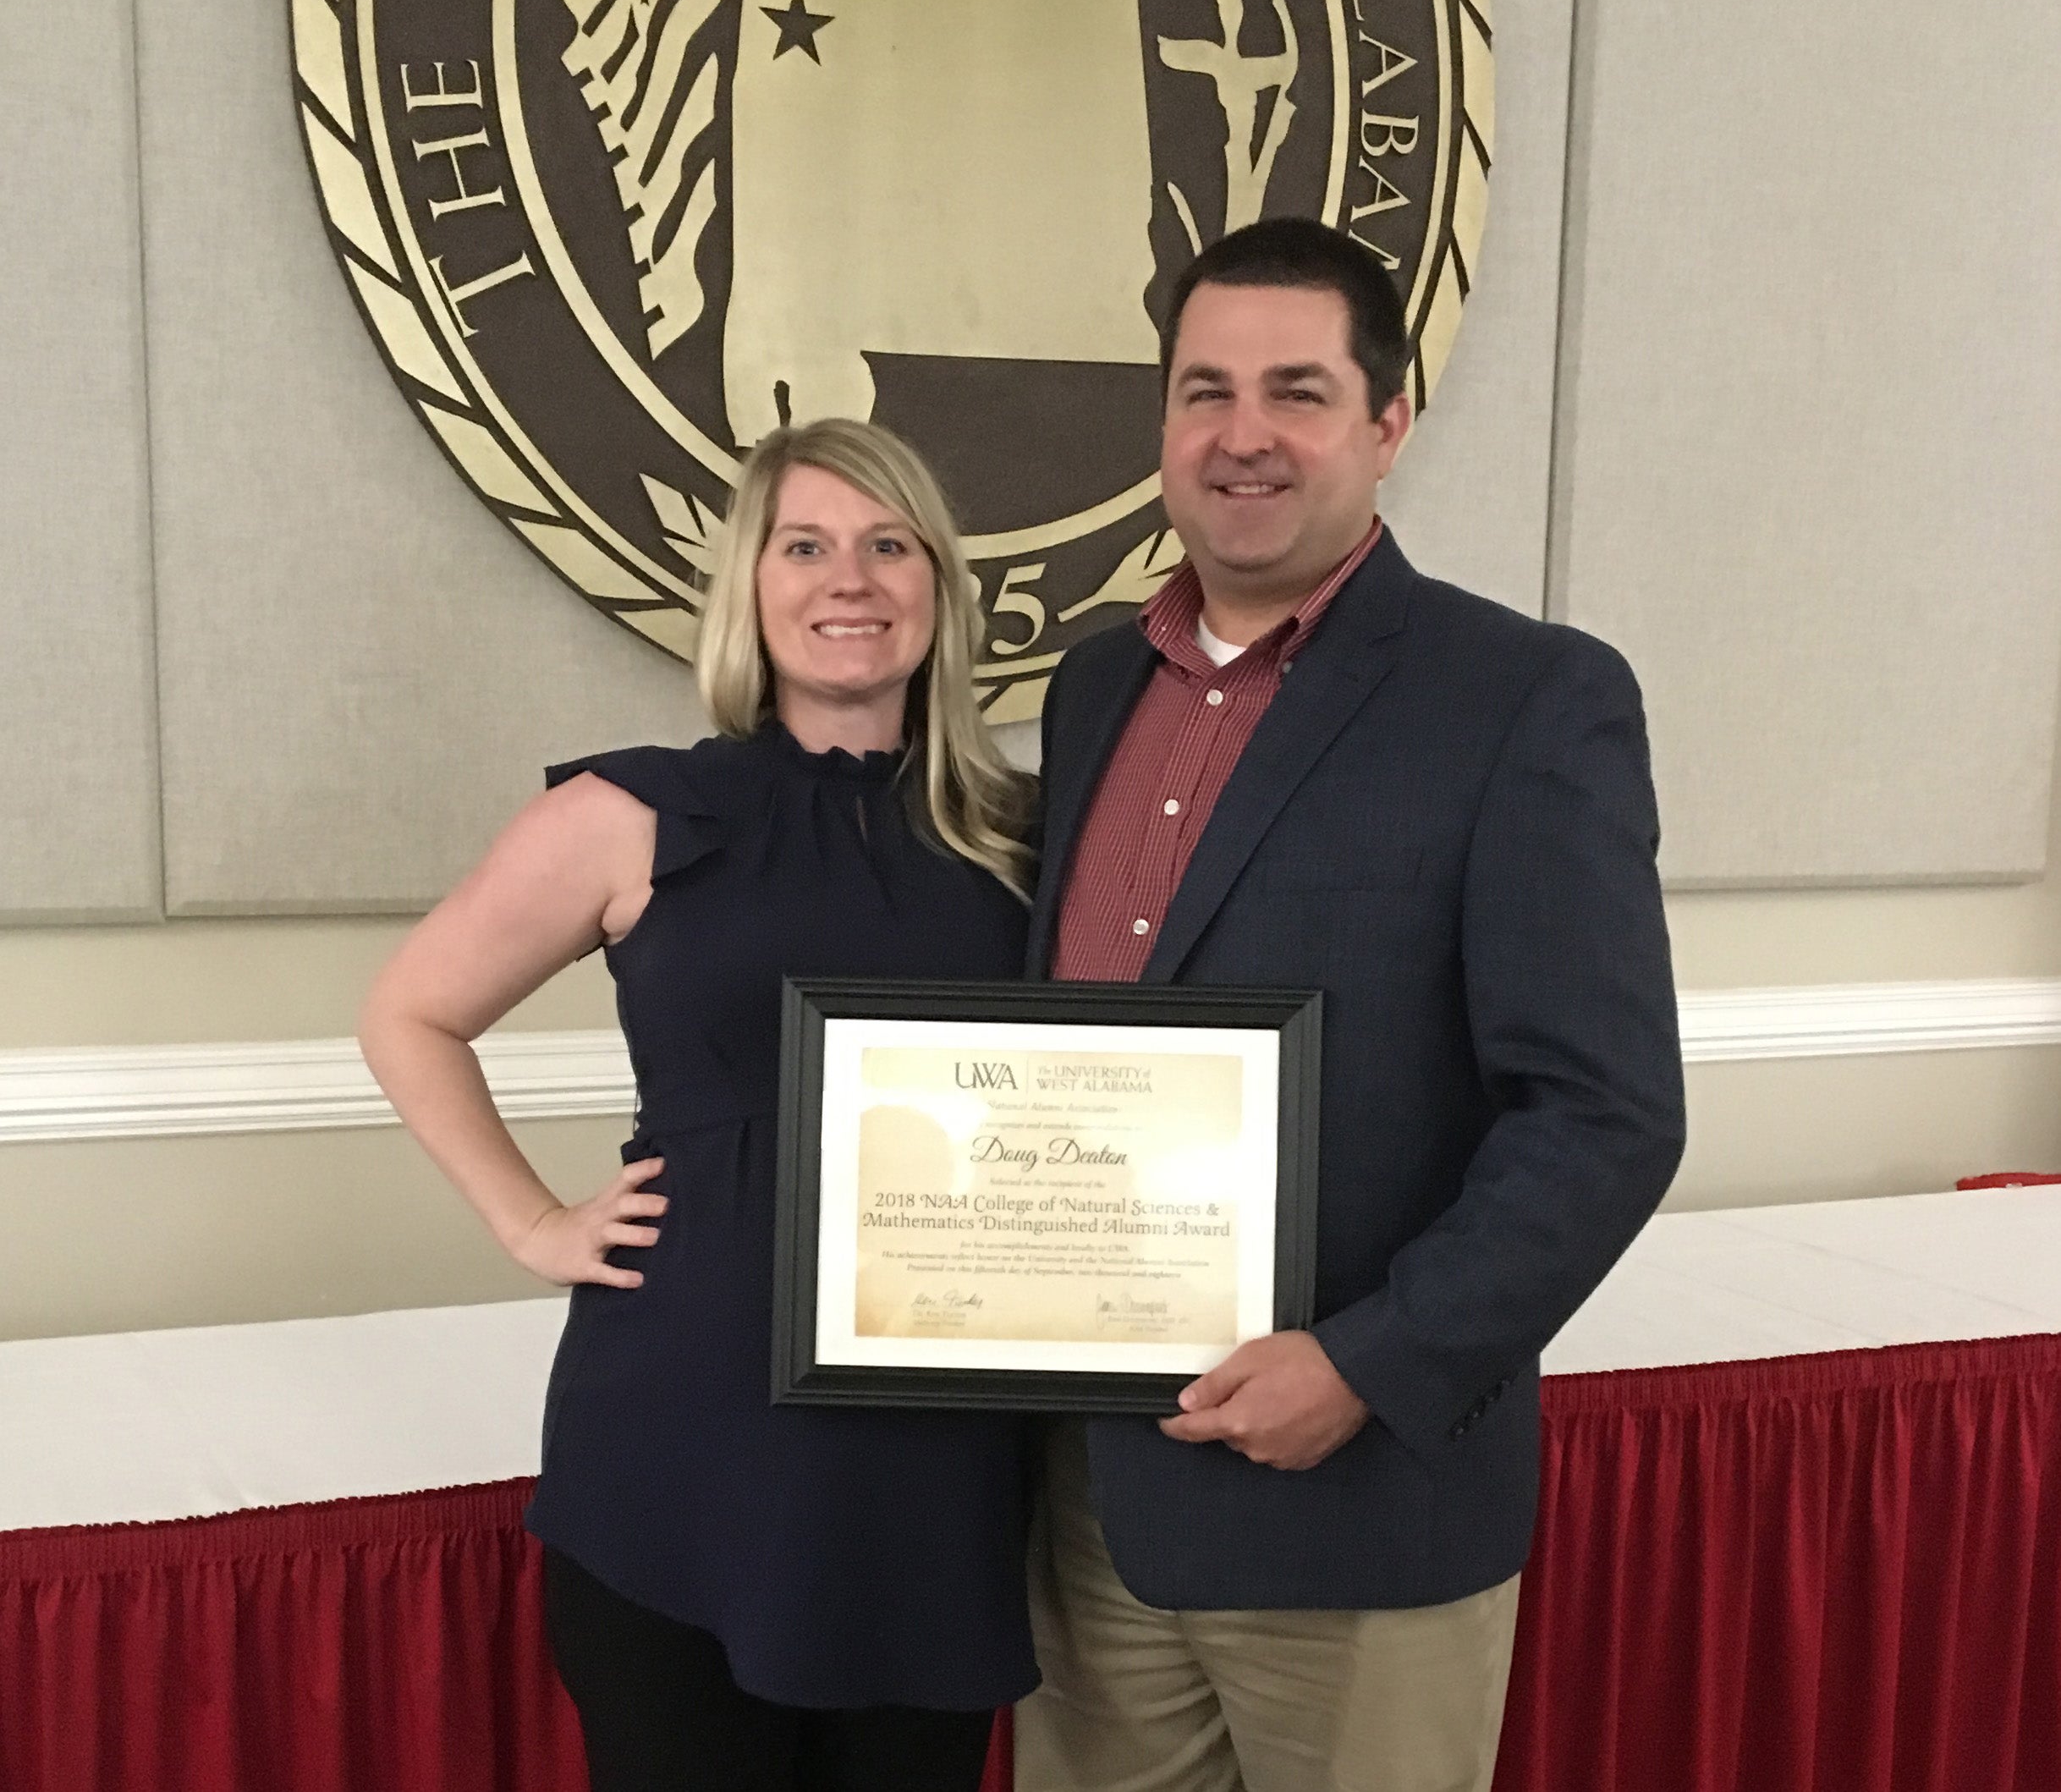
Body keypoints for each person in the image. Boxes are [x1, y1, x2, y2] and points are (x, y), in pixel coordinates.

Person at [1014, 222, 1685, 1792]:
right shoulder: (1092, 685)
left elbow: (1603, 1114)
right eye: (1205, 391)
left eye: (1297, 391)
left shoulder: (1528, 699)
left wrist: (1369, 1367)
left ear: (1388, 423)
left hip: (1361, 1512)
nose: (1243, 434)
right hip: (1090, 1503)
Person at [360, 419, 1040, 1792]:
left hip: (934, 1467)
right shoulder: (637, 816)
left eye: (888, 544)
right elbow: (407, 1015)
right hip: (683, 1439)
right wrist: (533, 1221)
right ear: (749, 587)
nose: (849, 577)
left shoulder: (1026, 835)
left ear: (940, 588)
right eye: (806, 545)